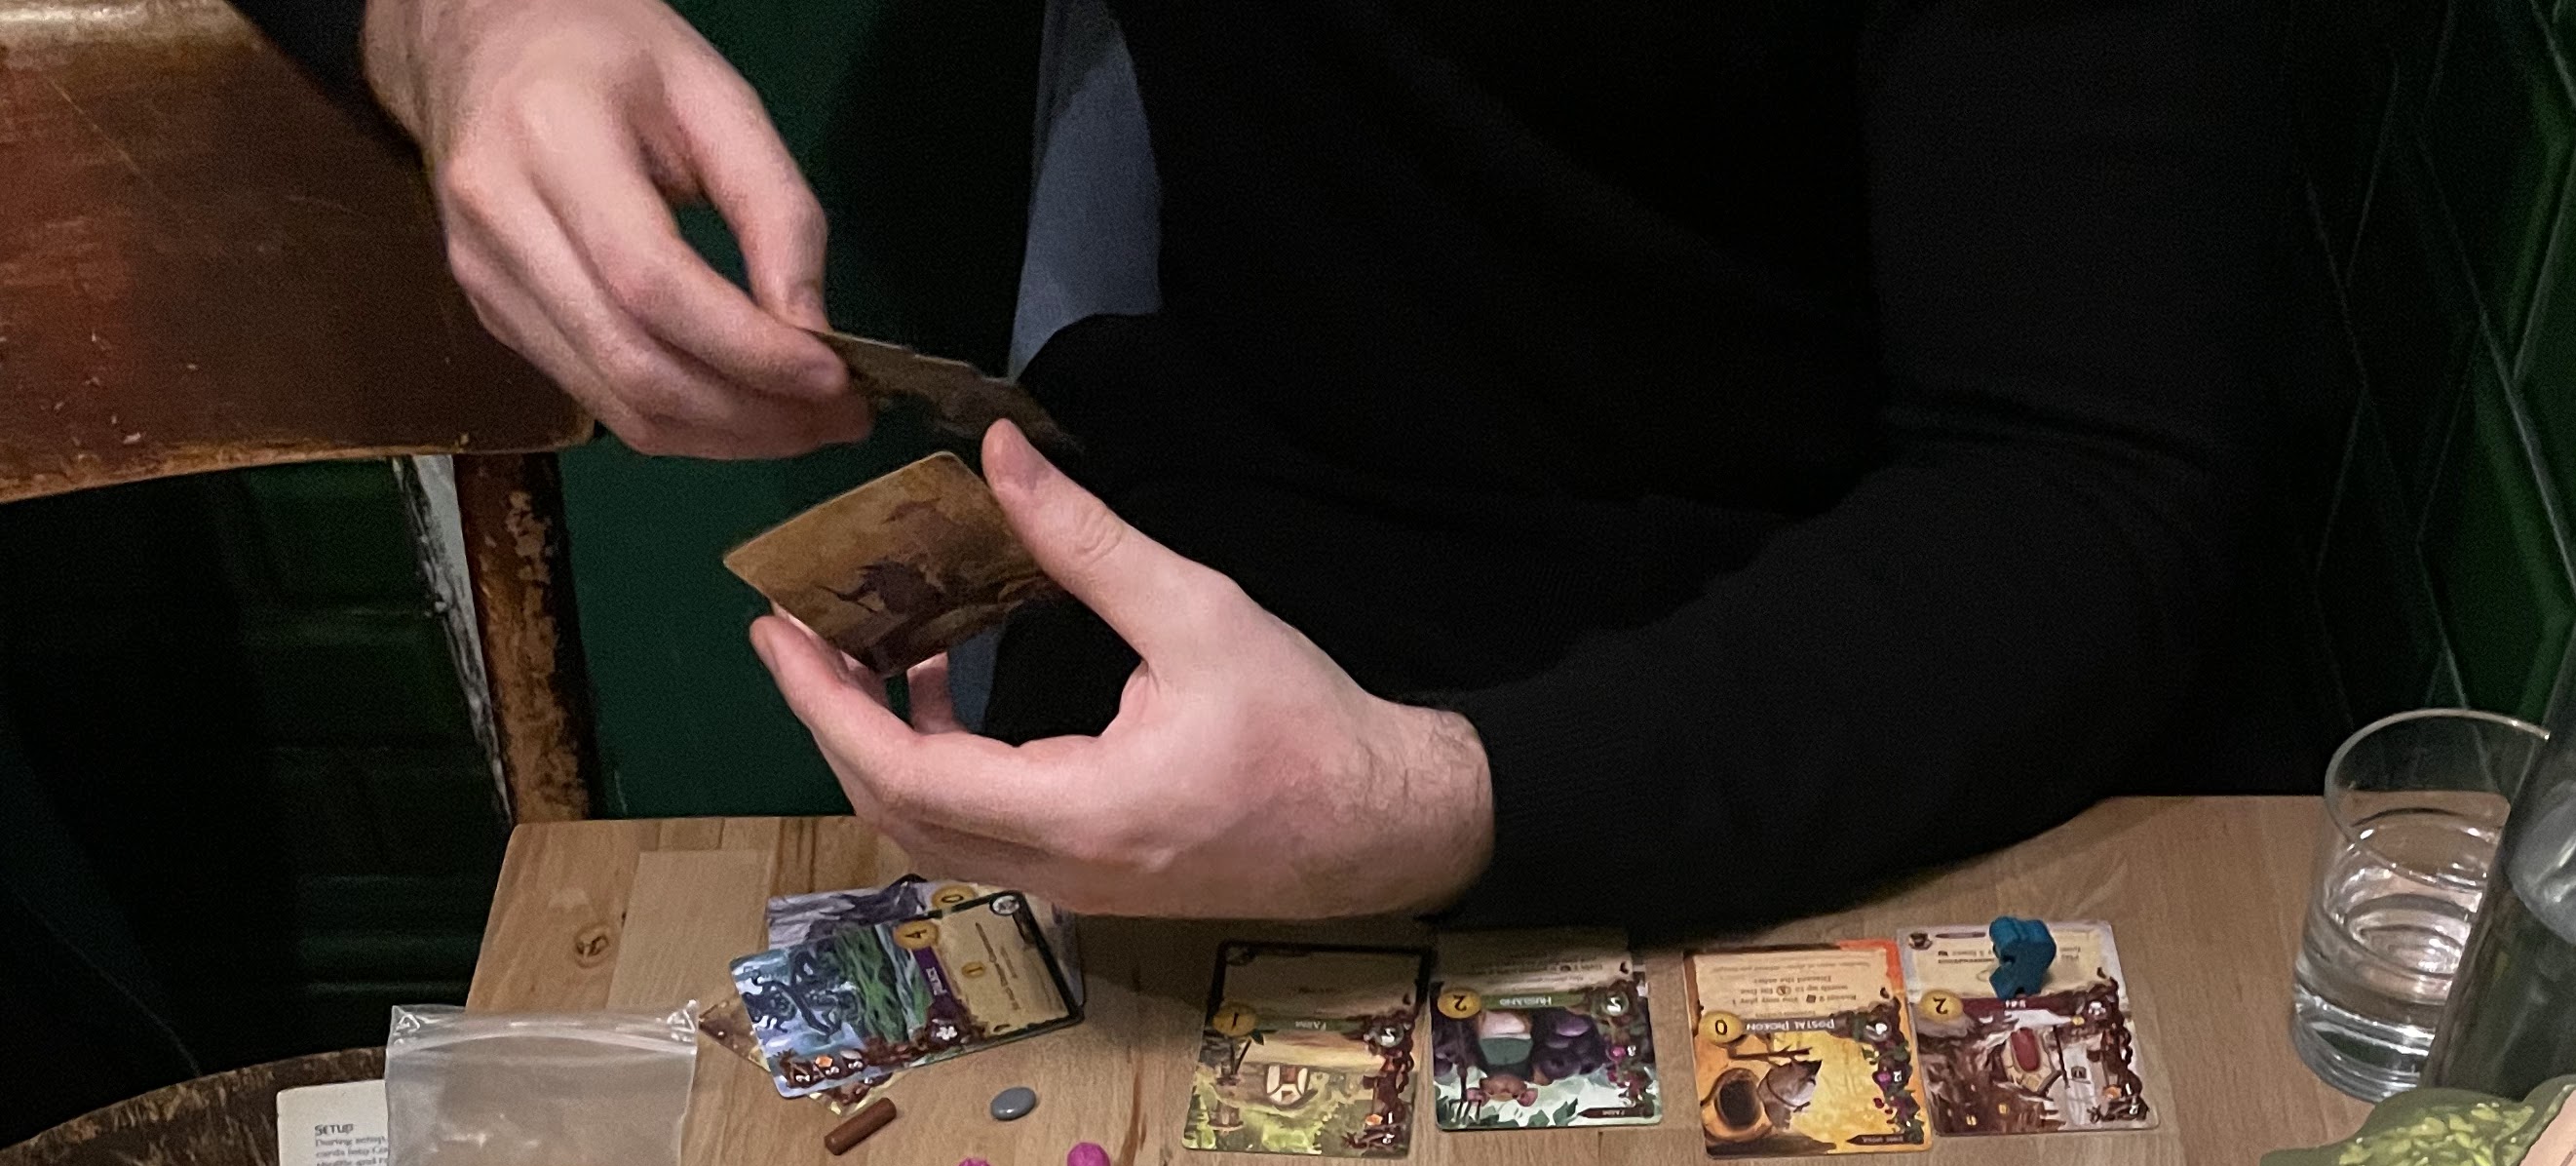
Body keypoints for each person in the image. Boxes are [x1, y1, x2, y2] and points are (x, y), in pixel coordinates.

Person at [249, 0, 2302, 925]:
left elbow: (2086, 489)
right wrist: (465, 28)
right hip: (1217, 617)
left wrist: (1426, 805)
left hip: (1871, 717)